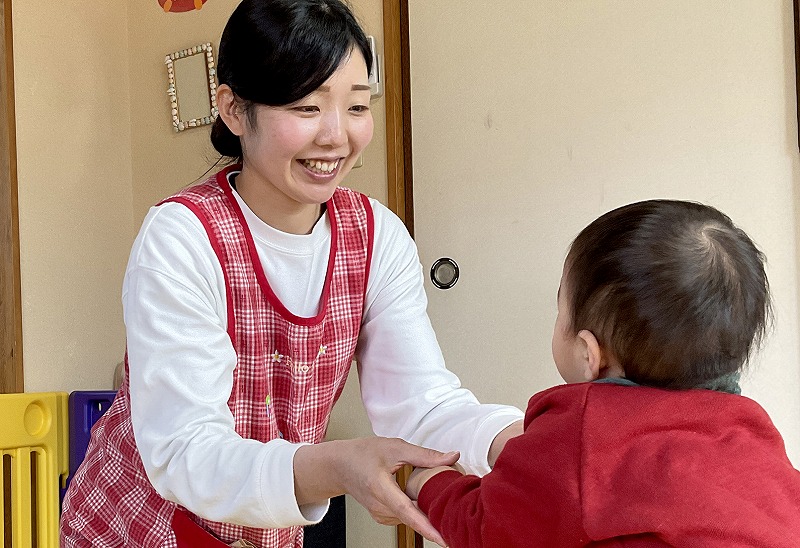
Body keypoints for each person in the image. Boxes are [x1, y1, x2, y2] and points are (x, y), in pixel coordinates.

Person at [59, 1, 523, 546]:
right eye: (306, 107)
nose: (336, 136)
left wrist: (517, 443)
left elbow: (420, 401)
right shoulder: (182, 235)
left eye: (356, 106)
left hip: (265, 523)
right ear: (233, 109)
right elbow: (186, 451)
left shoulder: (378, 236)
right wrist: (334, 465)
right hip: (139, 522)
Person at [405, 199, 800, 547]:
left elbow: (488, 528)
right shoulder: (754, 434)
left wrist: (433, 486)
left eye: (559, 309)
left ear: (588, 352)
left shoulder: (577, 434)